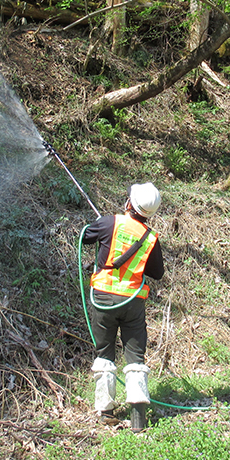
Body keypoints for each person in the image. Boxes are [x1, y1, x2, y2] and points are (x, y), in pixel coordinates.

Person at [82, 182, 163, 429]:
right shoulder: (150, 238)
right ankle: (138, 420)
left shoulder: (109, 223)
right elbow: (157, 273)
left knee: (105, 353)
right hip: (132, 303)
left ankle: (106, 413)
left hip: (104, 300)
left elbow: (86, 237)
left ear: (130, 203)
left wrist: (102, 229)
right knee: (135, 356)